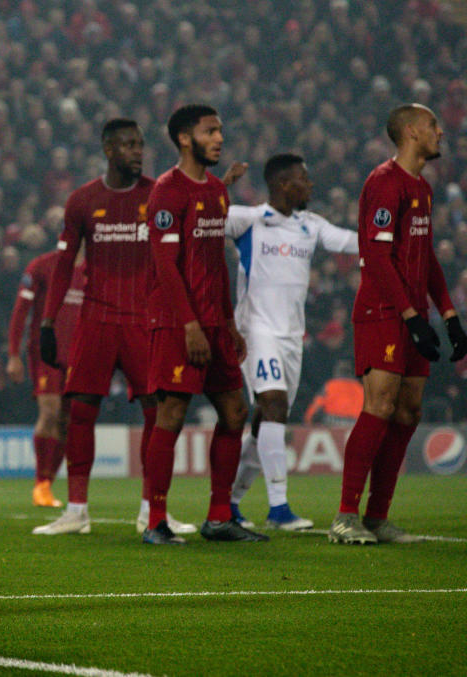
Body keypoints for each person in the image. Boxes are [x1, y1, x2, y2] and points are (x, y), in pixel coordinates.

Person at [30, 119, 197, 538]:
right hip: (96, 318)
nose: (136, 151)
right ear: (107, 149)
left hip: (146, 321)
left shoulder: (157, 195)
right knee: (79, 411)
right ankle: (77, 510)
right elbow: (65, 264)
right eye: (127, 144)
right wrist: (49, 322)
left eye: (139, 144)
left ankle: (151, 510)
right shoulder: (83, 200)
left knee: (156, 414)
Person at [329, 104, 467, 544]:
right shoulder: (384, 183)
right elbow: (376, 257)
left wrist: (448, 315)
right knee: (380, 405)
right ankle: (345, 516)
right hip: (382, 312)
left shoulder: (422, 188)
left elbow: (425, 260)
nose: (440, 132)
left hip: (412, 315)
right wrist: (410, 316)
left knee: (409, 410)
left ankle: (377, 517)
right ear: (410, 132)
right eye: (432, 126)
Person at [141, 104, 268, 545]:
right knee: (171, 413)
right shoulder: (166, 191)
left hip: (214, 322)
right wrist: (191, 325)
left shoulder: (217, 190)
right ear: (183, 138)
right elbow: (166, 266)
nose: (219, 138)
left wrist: (229, 323)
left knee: (235, 412)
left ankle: (218, 517)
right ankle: (156, 519)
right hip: (178, 323)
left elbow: (216, 263)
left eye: (220, 130)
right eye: (210, 131)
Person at [226, 154, 359, 531]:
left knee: (263, 421)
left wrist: (391, 235)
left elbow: (351, 242)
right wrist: (221, 184)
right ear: (284, 184)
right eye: (304, 178)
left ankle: (230, 501)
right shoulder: (249, 220)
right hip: (256, 331)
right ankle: (279, 507)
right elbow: (199, 217)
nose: (311, 185)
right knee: (274, 405)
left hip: (291, 338)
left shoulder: (311, 225)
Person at [6, 246, 85, 507]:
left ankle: (48, 484)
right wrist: (14, 354)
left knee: (66, 421)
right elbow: (20, 310)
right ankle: (40, 483)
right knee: (49, 412)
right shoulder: (41, 266)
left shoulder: (93, 270)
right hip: (46, 353)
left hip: (78, 355)